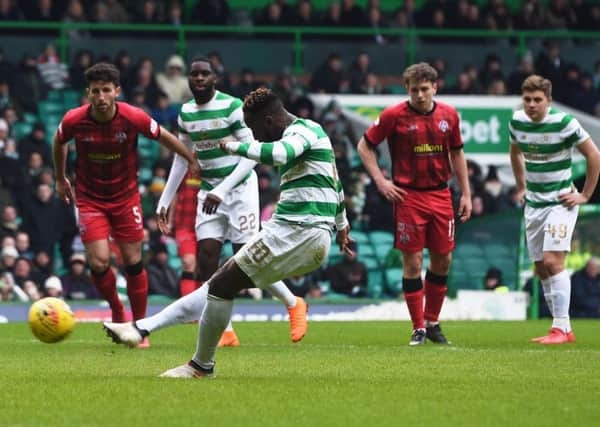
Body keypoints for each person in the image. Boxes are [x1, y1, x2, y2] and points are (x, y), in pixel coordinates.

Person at [103, 88, 353, 379]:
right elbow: (335, 184)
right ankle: (142, 329)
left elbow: (279, 153)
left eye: (255, 128)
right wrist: (343, 223)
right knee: (220, 283)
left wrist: (234, 147)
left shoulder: (302, 131)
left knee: (220, 285)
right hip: (298, 232)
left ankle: (197, 364)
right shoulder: (309, 132)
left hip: (298, 231)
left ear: (270, 121)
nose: (255, 135)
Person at [151, 56, 306, 348]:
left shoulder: (232, 107)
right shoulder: (185, 113)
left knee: (246, 258)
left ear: (214, 79)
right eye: (194, 74)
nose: (198, 79)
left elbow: (253, 153)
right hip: (209, 192)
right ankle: (227, 329)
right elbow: (182, 157)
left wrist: (222, 189)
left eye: (204, 74)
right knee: (206, 258)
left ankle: (293, 302)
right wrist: (166, 198)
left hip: (239, 190)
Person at [52, 62, 200, 348]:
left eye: (107, 90)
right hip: (90, 199)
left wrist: (191, 159)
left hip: (125, 198)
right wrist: (60, 178)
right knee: (98, 261)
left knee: (133, 262)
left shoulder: (133, 117)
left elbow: (165, 137)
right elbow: (59, 142)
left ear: (117, 91)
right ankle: (118, 311)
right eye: (95, 91)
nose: (101, 97)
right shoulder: (74, 119)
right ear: (88, 93)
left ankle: (139, 326)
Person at [357, 62, 472, 346]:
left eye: (424, 89)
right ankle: (418, 326)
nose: (419, 95)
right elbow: (364, 145)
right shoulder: (394, 115)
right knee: (413, 261)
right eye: (414, 90)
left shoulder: (449, 115)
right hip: (408, 196)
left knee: (443, 260)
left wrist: (467, 194)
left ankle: (433, 321)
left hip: (441, 195)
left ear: (435, 87)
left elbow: (457, 154)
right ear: (406, 89)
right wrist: (381, 181)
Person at [509, 74, 600, 344]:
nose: (532, 104)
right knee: (540, 269)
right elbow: (514, 153)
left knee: (552, 261)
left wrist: (585, 195)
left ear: (548, 100)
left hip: (561, 202)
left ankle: (559, 328)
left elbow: (594, 155)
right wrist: (521, 186)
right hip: (534, 204)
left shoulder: (564, 123)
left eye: (538, 100)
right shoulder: (516, 121)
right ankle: (564, 329)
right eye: (527, 99)